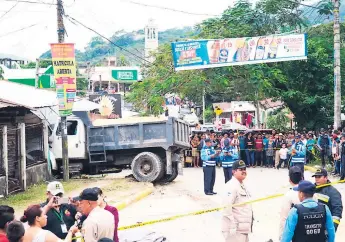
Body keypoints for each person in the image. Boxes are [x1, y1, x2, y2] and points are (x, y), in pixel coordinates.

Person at [222, 160, 253, 242]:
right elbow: (226, 208)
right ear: (233, 172)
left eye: (244, 169)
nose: (244, 171)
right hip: (235, 230)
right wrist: (232, 227)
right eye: (241, 169)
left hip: (243, 229)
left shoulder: (242, 185)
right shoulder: (231, 186)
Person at [279, 166, 303, 240]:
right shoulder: (312, 193)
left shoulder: (289, 195)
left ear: (289, 179)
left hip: (295, 233)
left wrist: (282, 237)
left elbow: (284, 218)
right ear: (302, 178)